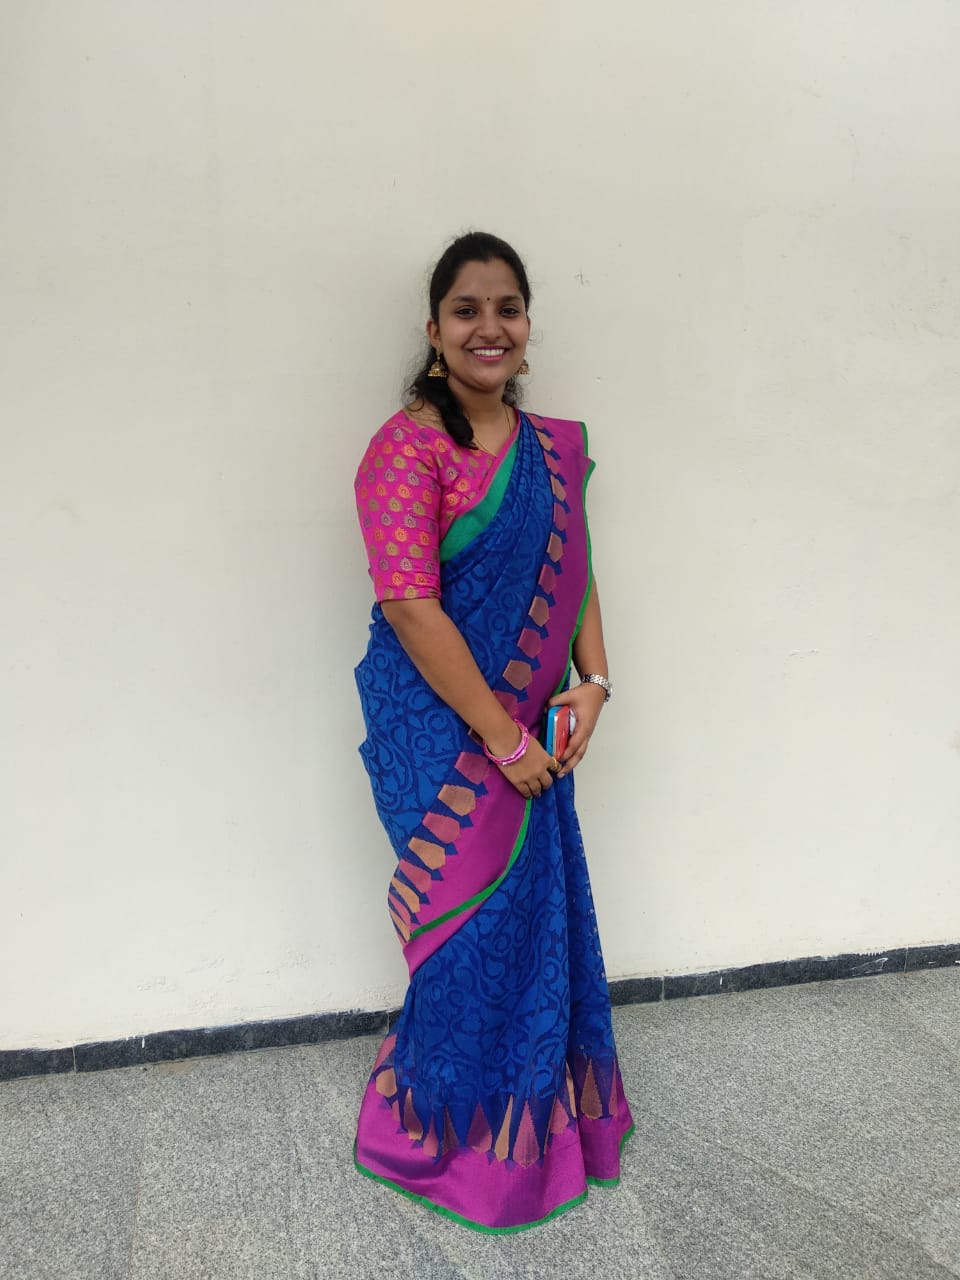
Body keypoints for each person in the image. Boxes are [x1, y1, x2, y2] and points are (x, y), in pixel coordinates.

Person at [352, 231, 633, 1232]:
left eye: (507, 307)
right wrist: (503, 743)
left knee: (530, 924)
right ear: (433, 330)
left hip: (532, 725)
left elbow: (577, 565)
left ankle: (535, 1121)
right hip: (437, 732)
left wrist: (594, 681)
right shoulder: (408, 449)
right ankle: (446, 1130)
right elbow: (410, 604)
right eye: (466, 309)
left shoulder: (553, 448)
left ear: (526, 324)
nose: (489, 327)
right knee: (468, 934)